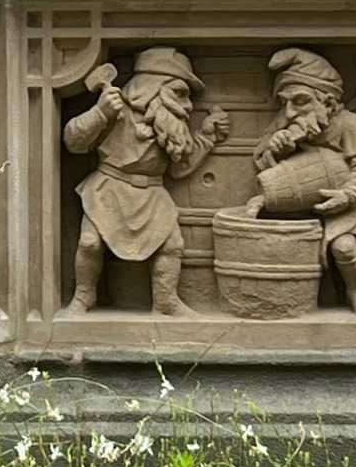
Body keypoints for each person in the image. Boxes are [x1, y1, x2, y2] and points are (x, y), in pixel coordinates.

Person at [62, 47, 230, 318]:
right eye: (180, 93)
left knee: (172, 246)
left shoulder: (171, 123)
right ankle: (83, 296)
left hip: (152, 193)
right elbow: (73, 142)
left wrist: (206, 137)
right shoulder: (115, 107)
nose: (188, 105)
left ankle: (165, 301)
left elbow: (180, 167)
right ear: (152, 87)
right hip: (109, 188)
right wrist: (100, 112)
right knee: (90, 243)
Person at [252, 48, 356, 317]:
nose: (290, 111)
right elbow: (263, 166)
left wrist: (348, 195)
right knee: (278, 241)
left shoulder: (351, 124)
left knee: (345, 249)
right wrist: (276, 150)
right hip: (295, 201)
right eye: (284, 102)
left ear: (328, 102)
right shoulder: (285, 122)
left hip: (343, 204)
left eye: (300, 101)